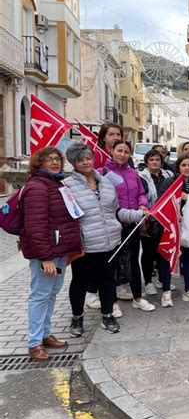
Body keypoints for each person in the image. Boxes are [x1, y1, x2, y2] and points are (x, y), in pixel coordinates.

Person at [64, 144, 145, 336]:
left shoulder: (107, 183)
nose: (85, 162)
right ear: (74, 163)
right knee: (80, 282)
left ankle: (107, 315)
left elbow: (116, 211)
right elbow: (67, 217)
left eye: (88, 158)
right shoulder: (67, 186)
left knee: (107, 281)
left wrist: (138, 215)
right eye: (80, 159)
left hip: (110, 243)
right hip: (85, 245)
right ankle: (77, 318)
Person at [19, 147, 82, 361]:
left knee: (51, 293)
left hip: (59, 249)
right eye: (49, 159)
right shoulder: (37, 187)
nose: (55, 162)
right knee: (40, 295)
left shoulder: (55, 183)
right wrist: (44, 257)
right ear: (39, 163)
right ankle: (34, 342)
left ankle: (45, 334)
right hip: (46, 253)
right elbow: (35, 226)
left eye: (58, 159)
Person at [102, 140, 154, 311]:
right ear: (111, 150)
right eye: (119, 150)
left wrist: (142, 204)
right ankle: (112, 302)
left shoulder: (133, 173)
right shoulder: (103, 173)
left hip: (132, 223)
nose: (122, 154)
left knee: (133, 260)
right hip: (113, 224)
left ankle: (137, 297)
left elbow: (141, 193)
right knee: (112, 264)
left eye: (126, 151)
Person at [85, 122, 124, 311]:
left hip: (116, 211)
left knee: (112, 256)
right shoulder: (97, 155)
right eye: (111, 134)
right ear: (103, 137)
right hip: (96, 212)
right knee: (96, 257)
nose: (115, 137)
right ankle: (91, 292)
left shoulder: (121, 156)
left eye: (118, 134)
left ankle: (110, 291)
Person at [157, 154, 189, 304]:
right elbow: (161, 201)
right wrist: (174, 215)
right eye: (183, 165)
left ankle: (188, 290)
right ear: (178, 167)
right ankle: (166, 292)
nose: (187, 168)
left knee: (188, 258)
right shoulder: (169, 182)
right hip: (172, 226)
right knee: (168, 259)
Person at [139, 149, 174, 298]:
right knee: (148, 252)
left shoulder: (169, 176)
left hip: (165, 221)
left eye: (157, 160)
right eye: (152, 160)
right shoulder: (141, 177)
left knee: (163, 251)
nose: (155, 162)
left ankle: (161, 279)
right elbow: (139, 196)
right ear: (146, 161)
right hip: (148, 221)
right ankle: (148, 282)